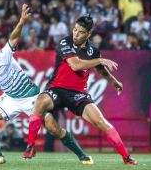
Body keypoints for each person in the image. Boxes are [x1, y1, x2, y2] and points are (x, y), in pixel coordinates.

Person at [0, 4, 92, 165]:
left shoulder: (1, 57)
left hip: (31, 96)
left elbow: (13, 38)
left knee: (53, 128)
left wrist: (22, 20)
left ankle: (83, 155)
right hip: (11, 98)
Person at [22, 14, 138, 165]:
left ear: (88, 34)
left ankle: (126, 157)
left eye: (80, 32)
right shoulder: (65, 41)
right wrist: (101, 59)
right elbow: (76, 65)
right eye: (74, 30)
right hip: (57, 89)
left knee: (101, 121)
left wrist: (114, 81)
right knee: (42, 104)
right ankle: (30, 146)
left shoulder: (93, 51)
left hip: (78, 93)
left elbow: (100, 69)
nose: (75, 34)